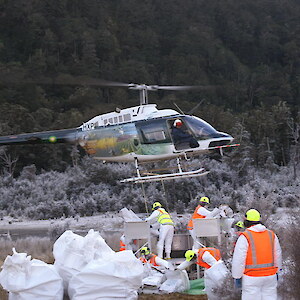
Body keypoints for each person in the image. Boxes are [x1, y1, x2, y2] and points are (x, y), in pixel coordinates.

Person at [232, 209, 282, 300]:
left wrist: (237, 276)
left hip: (251, 278)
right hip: (270, 276)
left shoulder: (245, 236)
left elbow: (239, 259)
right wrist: (277, 271)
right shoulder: (271, 235)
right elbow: (277, 254)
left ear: (246, 221)